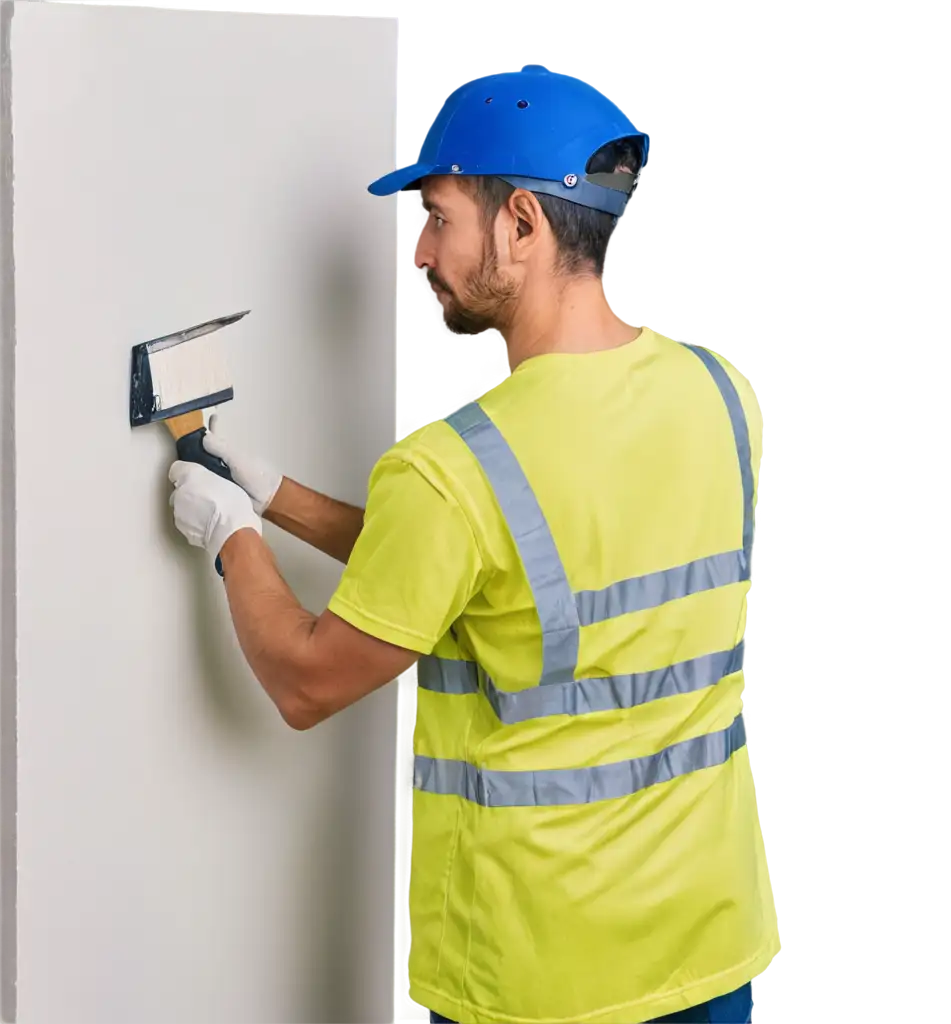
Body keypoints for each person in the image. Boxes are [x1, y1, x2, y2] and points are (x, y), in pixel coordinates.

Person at [168, 69, 777, 1024]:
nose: (416, 255)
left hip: (542, 977)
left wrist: (230, 539)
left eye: (436, 217)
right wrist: (276, 498)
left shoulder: (457, 467)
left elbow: (306, 680)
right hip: (708, 951)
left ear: (524, 224)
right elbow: (505, 584)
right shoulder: (715, 392)